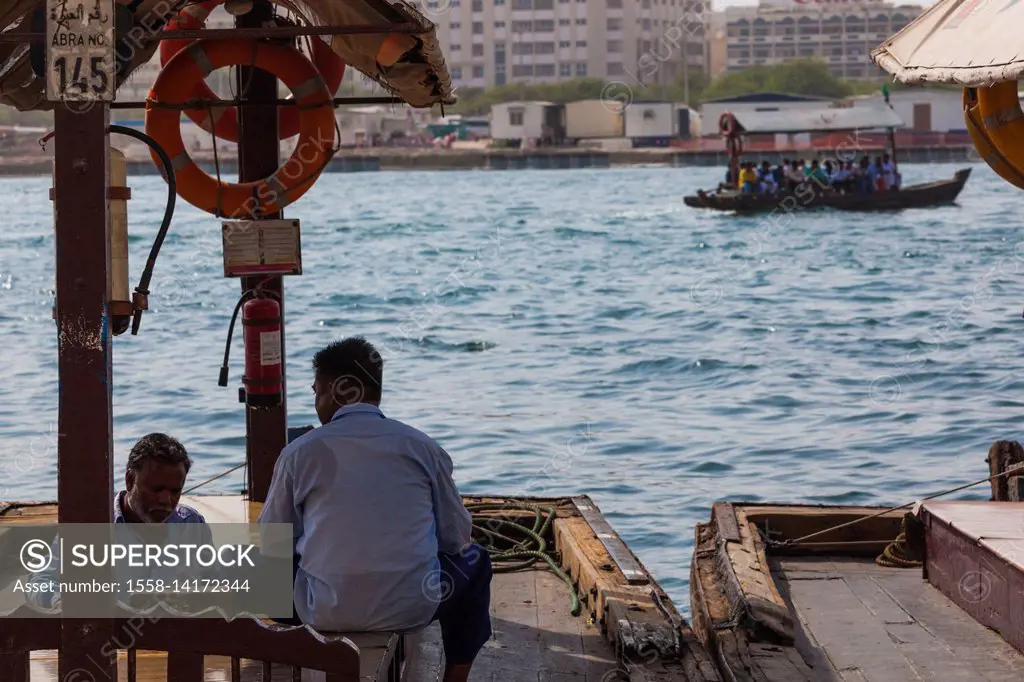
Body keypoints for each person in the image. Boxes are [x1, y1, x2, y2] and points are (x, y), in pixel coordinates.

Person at [259, 337, 492, 682]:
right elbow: (456, 538)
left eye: (317, 391)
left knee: (256, 564)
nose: (316, 402)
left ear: (340, 392)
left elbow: (271, 542)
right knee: (477, 562)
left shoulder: (300, 453)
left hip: (321, 610)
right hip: (412, 607)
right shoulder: (423, 447)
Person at [26, 434, 208, 609]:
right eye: (156, 489)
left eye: (175, 491)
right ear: (130, 480)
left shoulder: (193, 525)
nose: (165, 500)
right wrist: (61, 604)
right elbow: (40, 581)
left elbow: (214, 583)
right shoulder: (90, 525)